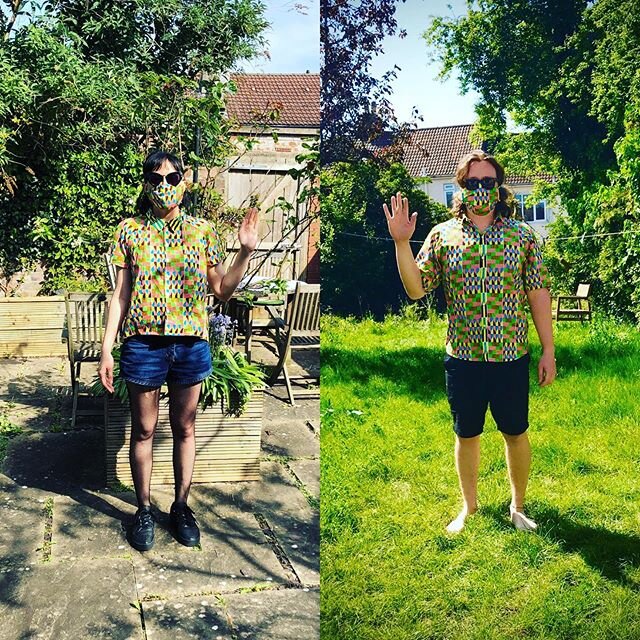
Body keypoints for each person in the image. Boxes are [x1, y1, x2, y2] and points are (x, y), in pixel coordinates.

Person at [383, 150, 555, 533]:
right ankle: (469, 508)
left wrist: (548, 350)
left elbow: (538, 293)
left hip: (511, 354)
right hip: (463, 357)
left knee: (515, 431)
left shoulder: (522, 237)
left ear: (499, 187)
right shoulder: (442, 236)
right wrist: (401, 243)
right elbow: (416, 289)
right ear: (461, 187)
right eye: (472, 182)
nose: (480, 189)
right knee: (467, 433)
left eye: (487, 182)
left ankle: (519, 507)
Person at [99, 150, 258, 551]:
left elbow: (221, 289)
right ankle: (144, 509)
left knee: (186, 428)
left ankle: (182, 507)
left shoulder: (202, 232)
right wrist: (106, 348)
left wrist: (245, 252)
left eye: (172, 179)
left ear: (184, 183)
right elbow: (120, 294)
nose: (164, 187)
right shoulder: (129, 230)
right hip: (143, 344)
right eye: (156, 179)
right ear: (146, 184)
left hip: (190, 345)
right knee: (144, 429)